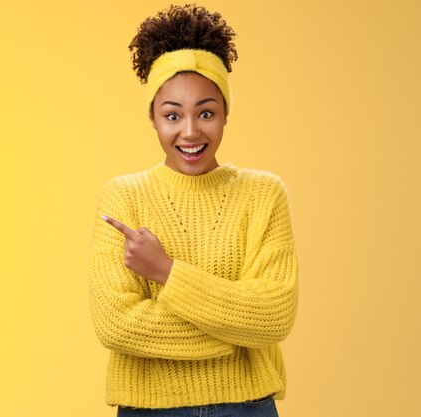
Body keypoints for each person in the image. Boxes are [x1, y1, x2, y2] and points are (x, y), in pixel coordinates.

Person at [88, 4, 299, 416]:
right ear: (152, 117)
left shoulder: (264, 194)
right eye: (172, 115)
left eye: (206, 112)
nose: (190, 131)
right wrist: (237, 333)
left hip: (247, 408)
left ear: (225, 114)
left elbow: (274, 316)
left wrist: (166, 272)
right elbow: (117, 324)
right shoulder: (123, 197)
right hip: (150, 410)